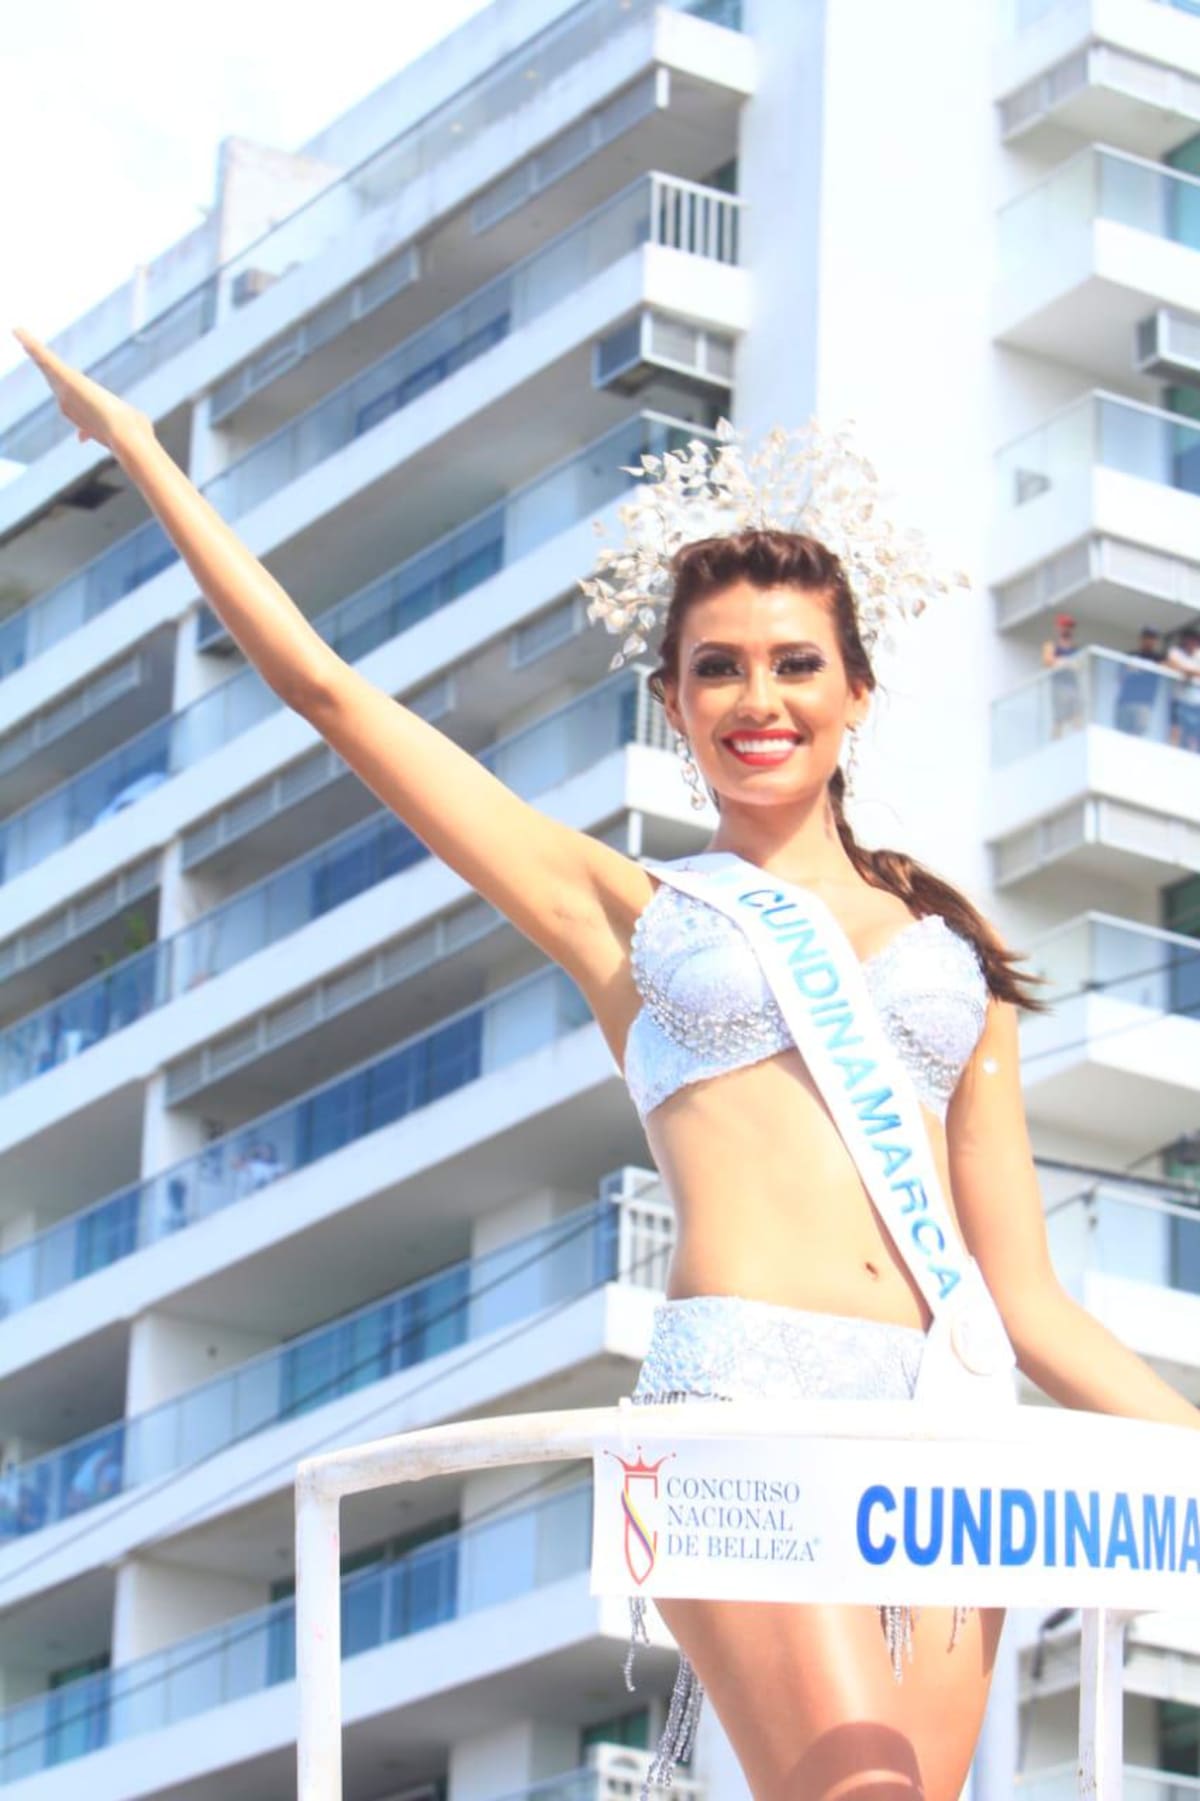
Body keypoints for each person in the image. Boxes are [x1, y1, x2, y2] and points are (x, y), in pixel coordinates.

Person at [15, 326, 1200, 1801]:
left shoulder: (953, 947)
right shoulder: (627, 910)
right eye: (718, 670)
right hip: (738, 1403)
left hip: (941, 1430)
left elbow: (1027, 1302)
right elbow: (332, 697)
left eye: (793, 665)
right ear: (674, 702)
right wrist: (140, 452)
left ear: (857, 694)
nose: (757, 699)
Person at [1114, 624, 1165, 737]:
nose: (1149, 640)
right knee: (1120, 735)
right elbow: (1119, 677)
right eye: (1147, 637)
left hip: (1144, 703)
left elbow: (1169, 668)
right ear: (1141, 638)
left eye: (1152, 638)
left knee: (1137, 735)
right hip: (1125, 702)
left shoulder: (1159, 659)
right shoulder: (1130, 655)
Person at [1040, 611, 1083, 739]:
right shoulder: (1052, 646)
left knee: (1077, 713)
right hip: (1059, 685)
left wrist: (1064, 663)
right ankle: (1056, 742)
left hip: (1073, 686)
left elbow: (1080, 666)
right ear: (1059, 627)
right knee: (1059, 717)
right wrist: (1065, 663)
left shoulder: (1076, 649)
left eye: (1070, 626)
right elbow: (1048, 661)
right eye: (1065, 626)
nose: (1068, 629)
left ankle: (1078, 738)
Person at [1166, 622, 1200, 753]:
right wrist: (1190, 671)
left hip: (1196, 703)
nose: (1194, 643)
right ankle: (1172, 753)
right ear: (1186, 640)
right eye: (1192, 639)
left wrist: (1188, 672)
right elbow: (1172, 664)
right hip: (1179, 699)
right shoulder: (1176, 652)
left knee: (1194, 734)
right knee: (1176, 730)